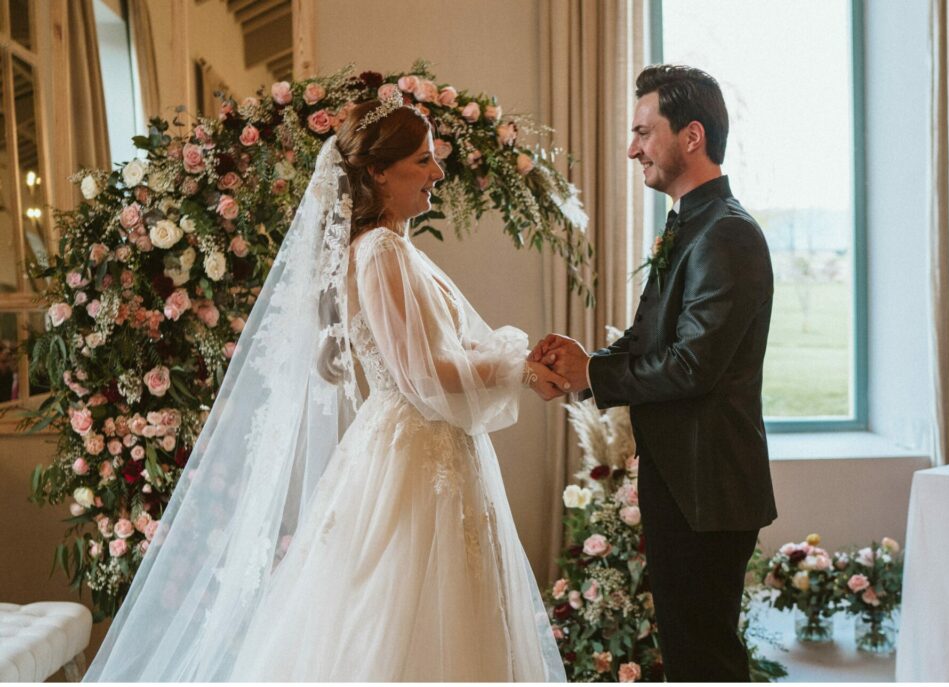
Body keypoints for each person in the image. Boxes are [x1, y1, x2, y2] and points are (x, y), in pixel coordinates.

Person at [85, 96, 568, 682]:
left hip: (429, 448)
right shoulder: (382, 251)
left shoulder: (397, 249)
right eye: (423, 160)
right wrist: (517, 368)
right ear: (378, 172)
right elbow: (420, 375)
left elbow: (446, 356)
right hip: (413, 455)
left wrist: (520, 362)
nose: (439, 172)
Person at [531, 65, 777, 682]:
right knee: (691, 651)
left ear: (691, 136)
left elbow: (694, 365)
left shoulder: (727, 235)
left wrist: (594, 372)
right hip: (681, 482)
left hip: (709, 486)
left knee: (706, 659)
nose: (632, 147)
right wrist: (583, 367)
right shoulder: (690, 225)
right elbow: (655, 343)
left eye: (644, 131)